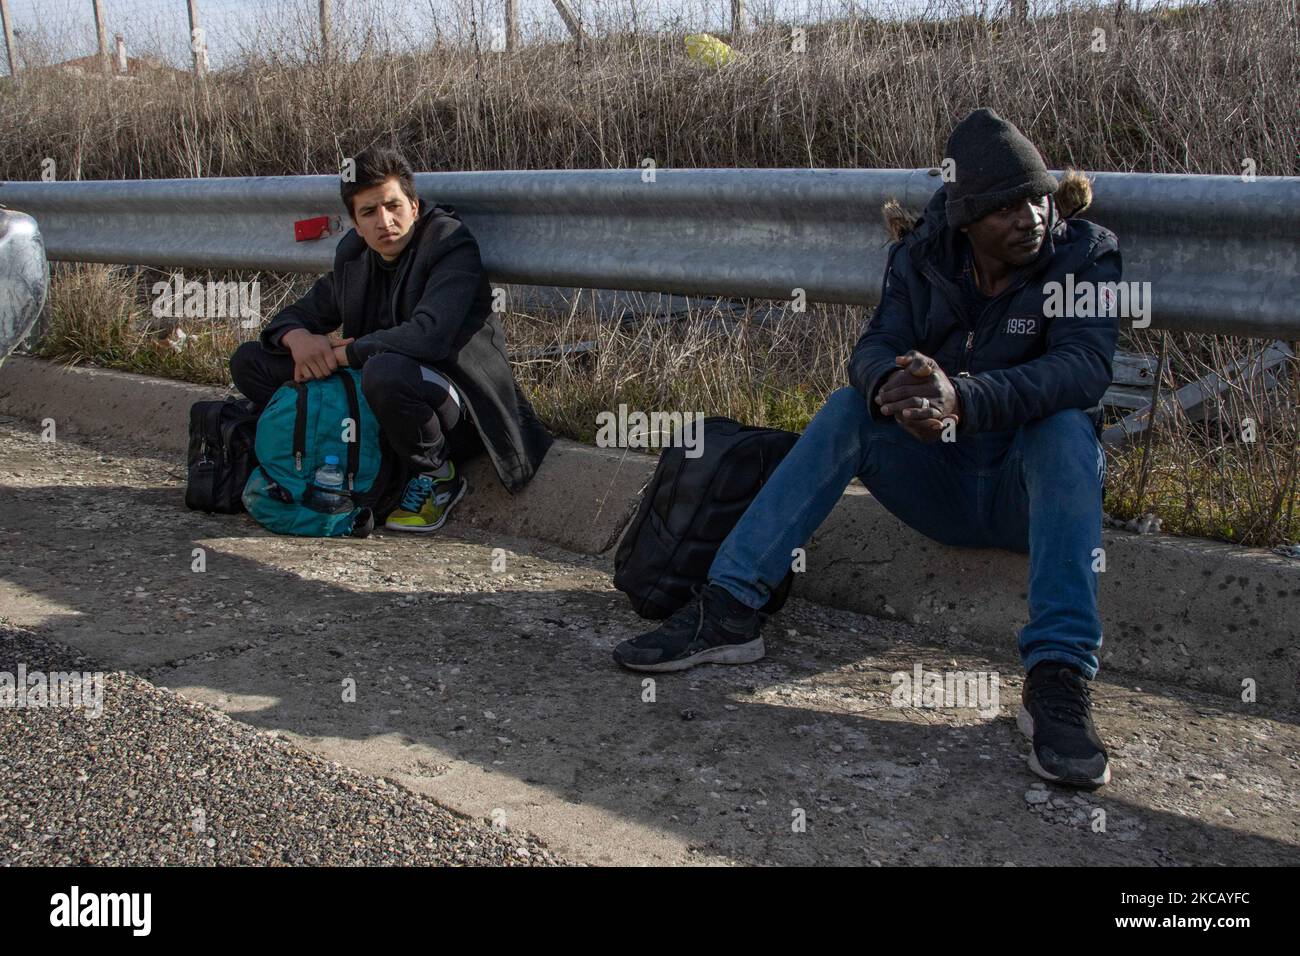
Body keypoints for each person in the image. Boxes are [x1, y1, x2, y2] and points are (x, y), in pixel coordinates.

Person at [613, 108, 1122, 789]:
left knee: (1065, 425)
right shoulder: (923, 256)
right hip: (937, 484)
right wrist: (894, 387)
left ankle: (1057, 678)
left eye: (1035, 198)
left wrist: (965, 398)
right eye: (1005, 207)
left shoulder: (1084, 254)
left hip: (1024, 497)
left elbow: (1085, 367)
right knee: (850, 406)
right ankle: (731, 607)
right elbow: (875, 346)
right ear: (967, 218)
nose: (1028, 217)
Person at [230, 146, 552, 530]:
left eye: (393, 206)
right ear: (356, 223)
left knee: (384, 370)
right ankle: (329, 448)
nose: (385, 221)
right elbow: (301, 312)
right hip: (380, 394)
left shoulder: (449, 243)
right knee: (251, 361)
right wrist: (298, 338)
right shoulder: (355, 255)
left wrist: (346, 355)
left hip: (454, 407)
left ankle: (436, 476)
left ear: (414, 206)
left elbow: (429, 336)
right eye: (369, 212)